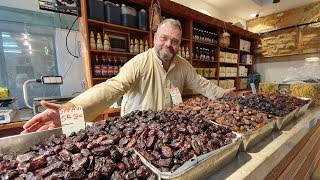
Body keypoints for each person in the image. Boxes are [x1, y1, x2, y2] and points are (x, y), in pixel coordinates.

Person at [21, 18, 236, 134]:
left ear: (180, 44)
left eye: (175, 41)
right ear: (155, 37)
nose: (168, 45)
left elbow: (200, 83)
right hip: (137, 131)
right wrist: (70, 112)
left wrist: (223, 94)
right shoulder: (139, 63)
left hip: (168, 129)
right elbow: (110, 88)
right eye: (164, 38)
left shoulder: (183, 65)